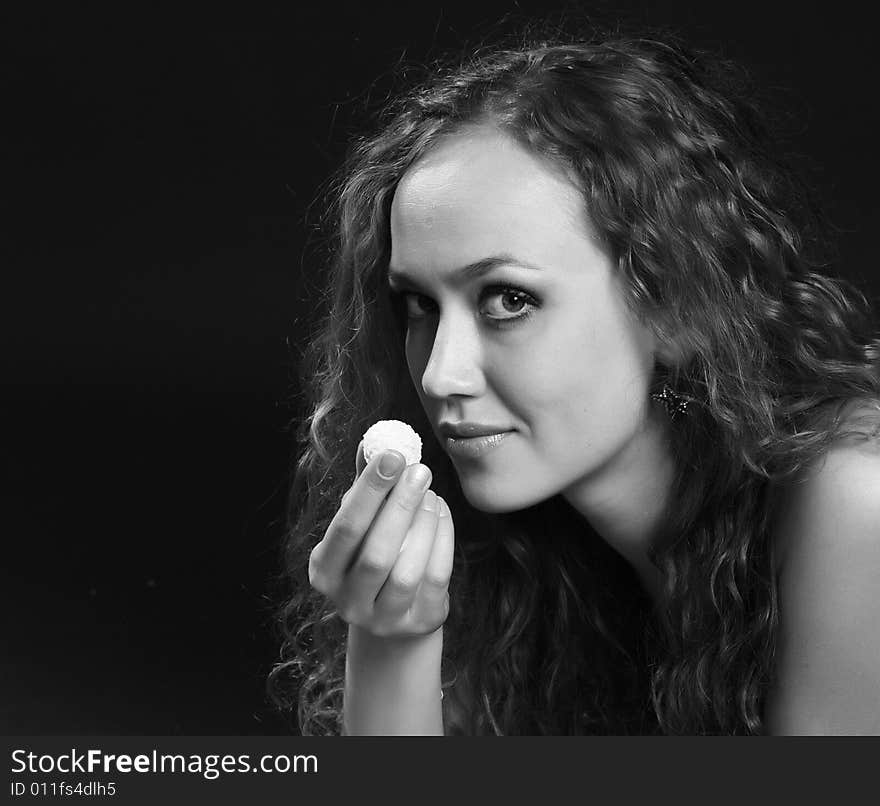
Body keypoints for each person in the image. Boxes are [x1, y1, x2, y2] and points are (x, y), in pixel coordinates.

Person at [267, 28, 880, 735]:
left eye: (508, 299)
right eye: (421, 306)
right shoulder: (534, 562)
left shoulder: (851, 498)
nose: (440, 374)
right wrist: (391, 639)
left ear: (679, 305)